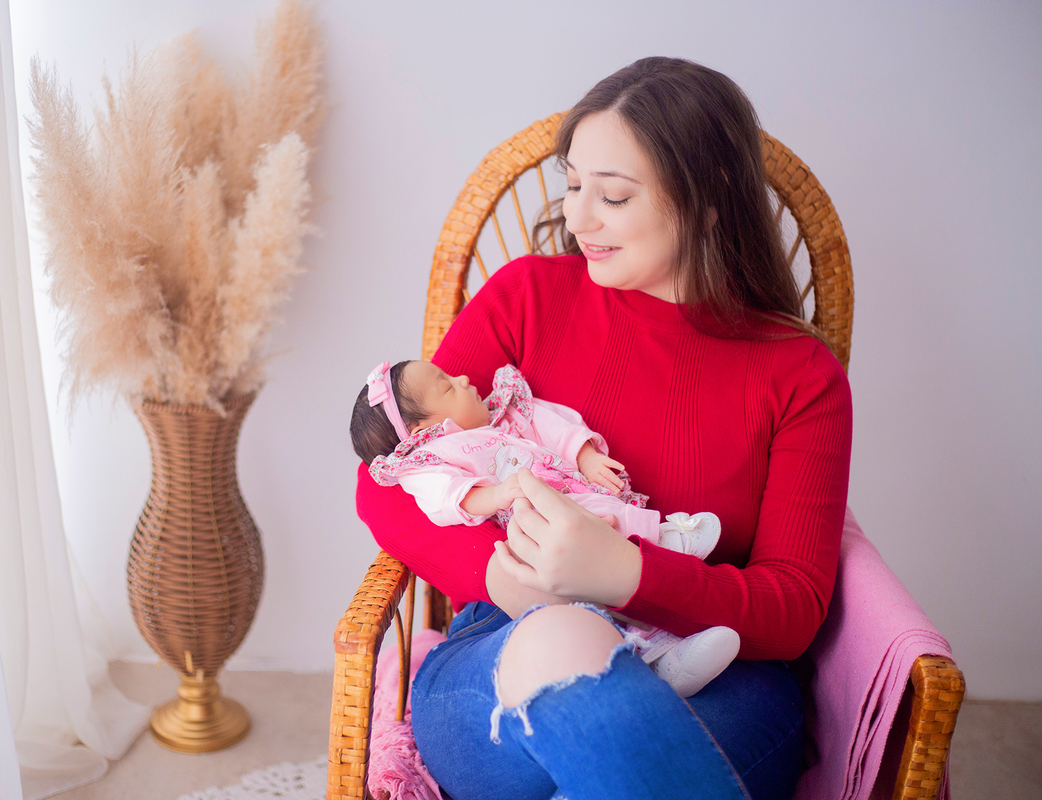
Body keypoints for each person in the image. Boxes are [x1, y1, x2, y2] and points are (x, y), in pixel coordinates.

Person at [355, 57, 852, 800]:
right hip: (503, 645)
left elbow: (792, 607)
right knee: (562, 640)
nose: (580, 218)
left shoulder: (801, 376)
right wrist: (521, 589)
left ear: (710, 198)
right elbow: (385, 482)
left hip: (715, 670)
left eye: (613, 196)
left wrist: (629, 575)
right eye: (574, 185)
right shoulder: (526, 296)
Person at [350, 359, 741, 697]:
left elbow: (553, 424)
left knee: (601, 524)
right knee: (592, 575)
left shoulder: (506, 414)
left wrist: (584, 456)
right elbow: (450, 500)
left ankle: (668, 620)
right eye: (448, 387)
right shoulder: (433, 459)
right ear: (426, 432)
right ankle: (661, 635)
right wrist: (499, 494)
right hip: (537, 528)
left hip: (570, 499)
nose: (465, 380)